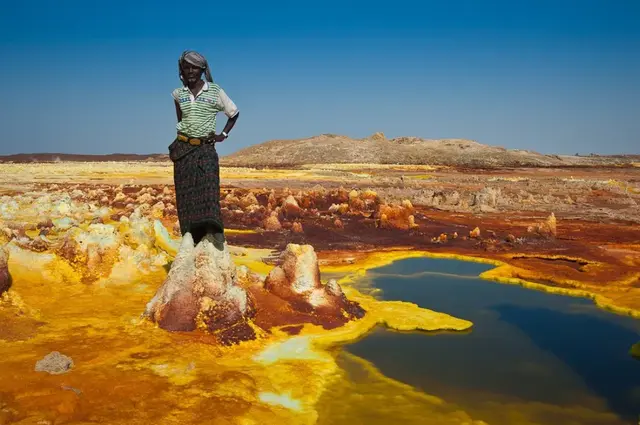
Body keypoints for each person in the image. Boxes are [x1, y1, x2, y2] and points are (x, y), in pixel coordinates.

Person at [168, 50, 239, 247]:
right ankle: (191, 240)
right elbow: (181, 120)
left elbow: (233, 113)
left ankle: (212, 241)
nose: (190, 71)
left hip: (205, 149)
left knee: (208, 192)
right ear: (181, 69)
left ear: (202, 70)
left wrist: (222, 135)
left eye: (194, 67)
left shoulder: (215, 91)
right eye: (186, 67)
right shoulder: (178, 94)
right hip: (183, 150)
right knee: (186, 197)